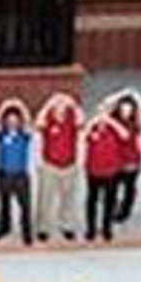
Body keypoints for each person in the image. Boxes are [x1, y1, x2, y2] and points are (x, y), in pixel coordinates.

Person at [37, 93, 83, 243]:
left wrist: (73, 104)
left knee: (68, 198)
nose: (60, 108)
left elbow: (81, 120)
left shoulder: (72, 118)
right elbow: (38, 122)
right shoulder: (48, 119)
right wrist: (49, 103)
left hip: (69, 165)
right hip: (50, 165)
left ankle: (66, 225)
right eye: (57, 105)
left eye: (63, 105)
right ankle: (43, 228)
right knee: (45, 199)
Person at [0, 101, 34, 246]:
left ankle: (27, 233)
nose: (12, 122)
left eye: (15, 120)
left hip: (21, 176)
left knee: (25, 206)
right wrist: (3, 106)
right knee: (4, 205)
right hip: (4, 175)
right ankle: (4, 228)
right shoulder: (1, 134)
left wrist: (21, 106)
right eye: (9, 120)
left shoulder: (24, 134)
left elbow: (28, 121)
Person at [83, 112, 127, 243]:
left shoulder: (114, 131)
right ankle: (91, 229)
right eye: (100, 120)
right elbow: (83, 134)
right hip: (93, 172)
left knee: (109, 202)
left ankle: (107, 228)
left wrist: (110, 121)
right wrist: (95, 120)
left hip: (111, 172)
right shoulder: (92, 132)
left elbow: (125, 135)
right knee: (92, 201)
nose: (102, 122)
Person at [107, 92, 141, 225]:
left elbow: (125, 136)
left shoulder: (135, 123)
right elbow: (106, 104)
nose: (125, 112)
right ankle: (112, 208)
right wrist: (121, 94)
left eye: (129, 109)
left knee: (129, 188)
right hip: (115, 160)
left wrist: (135, 96)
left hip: (131, 161)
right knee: (112, 187)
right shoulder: (113, 119)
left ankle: (125, 210)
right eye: (123, 109)